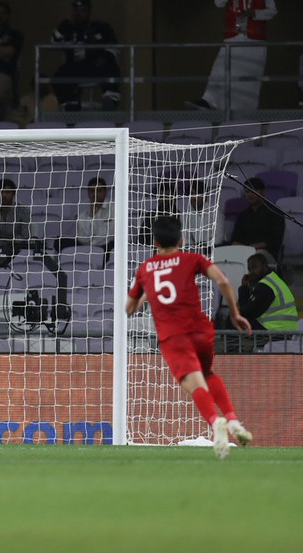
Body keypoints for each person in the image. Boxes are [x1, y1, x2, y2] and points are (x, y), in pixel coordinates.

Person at [126, 216, 253, 459]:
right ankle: (233, 420)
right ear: (181, 239)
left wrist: (142, 296)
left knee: (194, 385)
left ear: (154, 242)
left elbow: (130, 308)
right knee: (208, 374)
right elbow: (223, 280)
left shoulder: (145, 269)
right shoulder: (192, 259)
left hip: (174, 337)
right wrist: (235, 314)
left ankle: (216, 422)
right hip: (201, 330)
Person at [187, 0, 277, 111]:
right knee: (220, 69)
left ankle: (245, 111)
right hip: (233, 36)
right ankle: (209, 101)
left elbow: (272, 11)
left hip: (255, 39)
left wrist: (255, 13)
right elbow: (218, 2)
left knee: (249, 79)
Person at [51, 0, 121, 112]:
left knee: (111, 66)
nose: (79, 14)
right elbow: (54, 41)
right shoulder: (67, 28)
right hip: (75, 67)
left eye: (82, 10)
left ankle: (110, 100)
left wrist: (104, 57)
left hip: (97, 66)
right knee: (59, 76)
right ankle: (70, 105)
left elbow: (113, 47)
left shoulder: (101, 27)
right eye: (76, 10)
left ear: (88, 12)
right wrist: (64, 24)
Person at [231, 253, 297, 350]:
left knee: (233, 319)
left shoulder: (265, 286)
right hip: (283, 330)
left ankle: (233, 355)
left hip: (276, 332)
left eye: (254, 267)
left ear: (265, 267)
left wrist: (243, 288)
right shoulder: (273, 279)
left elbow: (247, 312)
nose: (251, 272)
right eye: (249, 268)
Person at [229, 177, 284, 256]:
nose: (250, 194)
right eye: (247, 191)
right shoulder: (243, 215)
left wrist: (251, 248)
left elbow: (275, 241)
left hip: (266, 253)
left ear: (263, 192)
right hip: (243, 252)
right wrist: (244, 249)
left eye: (254, 191)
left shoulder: (275, 212)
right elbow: (235, 239)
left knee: (256, 257)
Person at [67, 176, 113, 253]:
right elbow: (82, 239)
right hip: (87, 248)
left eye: (99, 191)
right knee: (61, 242)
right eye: (92, 191)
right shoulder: (82, 216)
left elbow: (110, 236)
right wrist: (91, 216)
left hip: (107, 248)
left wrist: (91, 244)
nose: (95, 194)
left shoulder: (114, 210)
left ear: (105, 192)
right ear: (88, 193)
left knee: (112, 244)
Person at [0, 178, 31, 255]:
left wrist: (12, 241)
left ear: (13, 194)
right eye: (1, 192)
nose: (3, 195)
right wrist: (2, 241)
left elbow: (25, 237)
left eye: (7, 192)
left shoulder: (24, 211)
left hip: (18, 251)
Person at [137, 182, 179, 246]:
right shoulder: (151, 216)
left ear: (175, 198)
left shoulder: (180, 216)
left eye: (167, 196)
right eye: (162, 196)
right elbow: (142, 240)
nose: (164, 199)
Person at [181, 181, 215, 254]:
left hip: (214, 251)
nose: (195, 198)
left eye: (198, 194)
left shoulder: (215, 212)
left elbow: (219, 238)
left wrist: (205, 245)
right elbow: (186, 240)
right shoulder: (184, 215)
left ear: (205, 196)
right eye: (192, 194)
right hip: (193, 253)